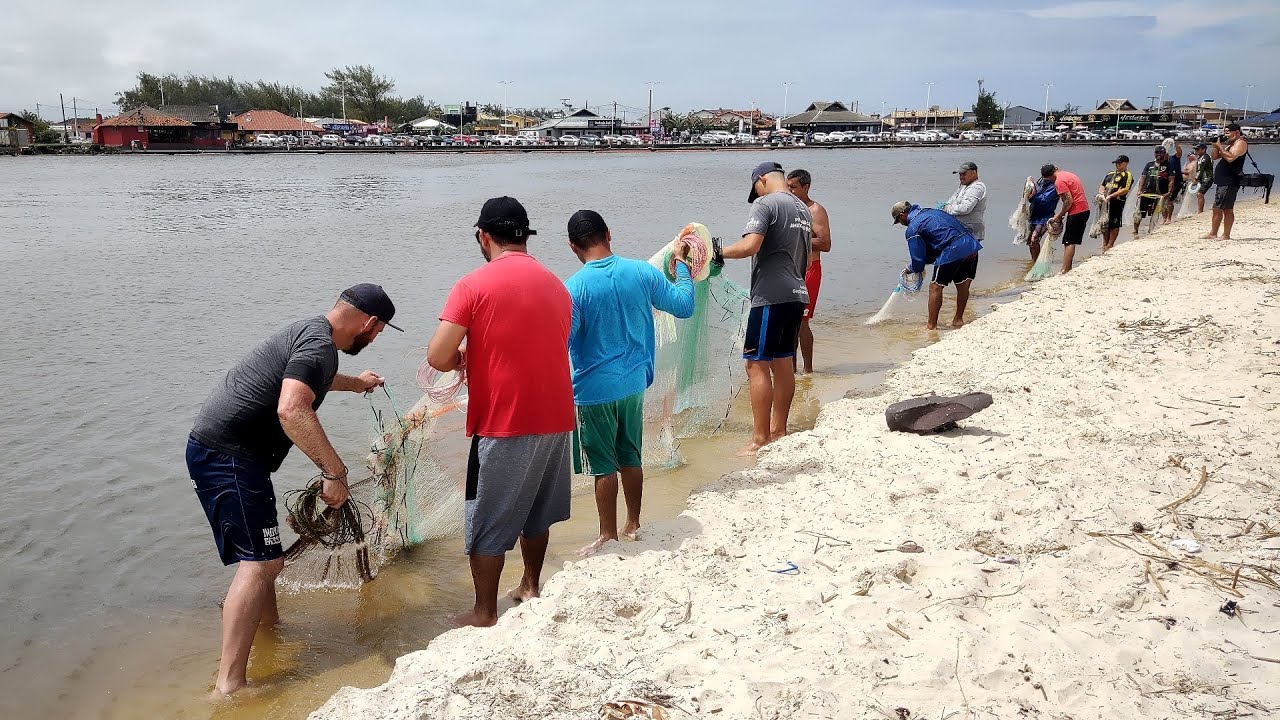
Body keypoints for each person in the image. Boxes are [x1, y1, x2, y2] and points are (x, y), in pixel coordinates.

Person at [186, 284, 397, 695]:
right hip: (227, 458)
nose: (375, 338)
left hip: (231, 455)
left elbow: (313, 379)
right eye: (378, 331)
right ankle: (229, 686)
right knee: (261, 563)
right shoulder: (320, 347)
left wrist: (357, 384)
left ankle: (268, 633)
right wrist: (335, 472)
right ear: (369, 322)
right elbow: (292, 408)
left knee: (265, 558)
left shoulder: (313, 334)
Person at [426, 197, 575, 627]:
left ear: (484, 237)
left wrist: (462, 359)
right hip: (557, 415)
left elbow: (438, 356)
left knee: (486, 517)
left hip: (504, 421)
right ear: (525, 237)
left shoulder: (472, 285)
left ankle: (484, 611)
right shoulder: (556, 284)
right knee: (537, 509)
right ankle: (530, 585)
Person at [563, 210, 695, 557]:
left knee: (603, 465)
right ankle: (633, 523)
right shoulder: (641, 272)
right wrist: (682, 266)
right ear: (609, 233)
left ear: (572, 246)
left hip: (594, 391)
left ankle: (608, 536)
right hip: (634, 383)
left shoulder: (573, 288)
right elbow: (684, 305)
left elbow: (560, 343)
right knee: (630, 454)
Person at [714, 162, 811, 455]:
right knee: (783, 362)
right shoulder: (803, 209)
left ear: (762, 179)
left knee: (756, 364)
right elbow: (806, 256)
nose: (756, 194)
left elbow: (750, 246)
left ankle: (759, 438)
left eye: (755, 188)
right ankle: (779, 430)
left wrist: (716, 253)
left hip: (770, 295)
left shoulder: (766, 204)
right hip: (797, 293)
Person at [890, 200, 982, 330]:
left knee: (935, 287)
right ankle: (958, 319)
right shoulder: (931, 211)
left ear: (902, 215)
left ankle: (931, 326)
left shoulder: (913, 228)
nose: (901, 224)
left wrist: (910, 268)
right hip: (970, 245)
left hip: (952, 249)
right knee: (962, 284)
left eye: (899, 221)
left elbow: (918, 261)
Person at [784, 169, 831, 375]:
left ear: (806, 187)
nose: (790, 191)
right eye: (788, 187)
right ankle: (791, 371)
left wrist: (797, 239)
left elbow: (826, 244)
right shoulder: (787, 209)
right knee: (788, 323)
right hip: (789, 271)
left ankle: (809, 371)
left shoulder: (816, 210)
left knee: (802, 322)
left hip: (809, 270)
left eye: (794, 187)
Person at [1203, 122, 1250, 240]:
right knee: (1217, 208)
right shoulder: (1230, 145)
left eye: (1228, 132)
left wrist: (1220, 146)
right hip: (1222, 181)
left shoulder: (1241, 143)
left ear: (1237, 132)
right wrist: (1216, 146)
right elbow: (1214, 157)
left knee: (1226, 209)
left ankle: (1226, 235)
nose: (1226, 135)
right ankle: (1213, 233)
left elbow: (1230, 158)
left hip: (1230, 181)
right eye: (1225, 133)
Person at [1043, 164, 1090, 273]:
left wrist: (1059, 216)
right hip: (1084, 209)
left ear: (1049, 176)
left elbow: (1068, 201)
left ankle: (1065, 269)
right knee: (1071, 240)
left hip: (1077, 211)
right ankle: (1067, 268)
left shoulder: (1059, 181)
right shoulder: (1069, 175)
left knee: (1069, 241)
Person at [943, 161, 988, 245]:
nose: (961, 177)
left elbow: (965, 209)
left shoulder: (977, 187)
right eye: (960, 175)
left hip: (971, 230)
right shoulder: (963, 186)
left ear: (973, 173)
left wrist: (947, 209)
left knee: (967, 253)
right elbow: (950, 201)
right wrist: (944, 206)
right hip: (960, 229)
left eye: (964, 174)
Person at [1134, 146, 1173, 237]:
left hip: (1160, 194)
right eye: (1157, 152)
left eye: (1160, 153)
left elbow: (1171, 180)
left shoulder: (1168, 165)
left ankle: (1151, 230)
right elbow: (1143, 177)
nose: (1158, 154)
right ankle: (1135, 231)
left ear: (1164, 154)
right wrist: (1139, 190)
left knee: (1156, 212)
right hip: (1146, 192)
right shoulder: (1149, 165)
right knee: (1139, 213)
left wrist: (1169, 192)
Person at [1098, 155, 1133, 252]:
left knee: (1114, 223)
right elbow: (1103, 185)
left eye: (1120, 163)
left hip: (1117, 202)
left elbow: (1125, 189)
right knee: (1105, 223)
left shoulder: (1127, 175)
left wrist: (1111, 196)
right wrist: (1101, 194)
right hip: (1105, 202)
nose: (1117, 165)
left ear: (1126, 163)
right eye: (1116, 163)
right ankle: (1105, 243)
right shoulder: (1110, 174)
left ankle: (1110, 244)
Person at [1027, 174, 1059, 261]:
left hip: (1045, 217)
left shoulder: (1054, 186)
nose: (1044, 177)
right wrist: (1030, 190)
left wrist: (1033, 193)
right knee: (1030, 241)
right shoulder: (1040, 182)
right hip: (1034, 215)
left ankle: (1037, 262)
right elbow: (1030, 199)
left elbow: (1044, 199)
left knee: (1034, 238)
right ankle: (1034, 261)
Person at [1161, 136, 1183, 223]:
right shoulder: (1161, 162)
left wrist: (1175, 144)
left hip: (1177, 182)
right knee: (1162, 200)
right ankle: (1164, 218)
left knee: (1170, 200)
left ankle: (1169, 218)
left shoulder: (1174, 158)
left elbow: (1179, 153)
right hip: (1165, 182)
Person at [1191, 143, 1214, 213]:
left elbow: (1202, 170)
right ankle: (1199, 209)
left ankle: (1200, 211)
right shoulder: (1200, 158)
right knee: (1199, 194)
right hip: (1203, 179)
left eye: (1197, 149)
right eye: (1195, 149)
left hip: (1207, 178)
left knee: (1200, 194)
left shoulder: (1205, 158)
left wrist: (1196, 179)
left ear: (1203, 149)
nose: (1196, 151)